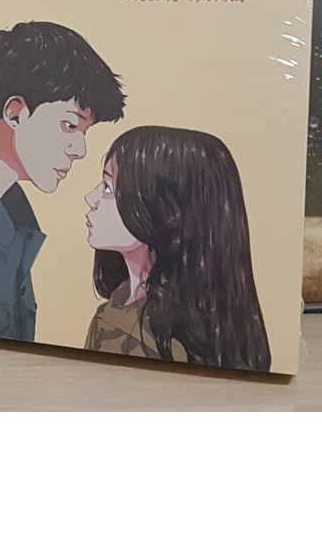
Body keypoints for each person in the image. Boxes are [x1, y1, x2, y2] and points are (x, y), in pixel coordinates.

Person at [0, 21, 125, 341]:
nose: (80, 150)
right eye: (70, 126)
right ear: (15, 113)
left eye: (84, 132)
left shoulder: (9, 209)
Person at [84, 126, 271, 371]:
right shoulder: (117, 308)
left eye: (109, 188)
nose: (91, 198)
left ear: (167, 212)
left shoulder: (149, 339)